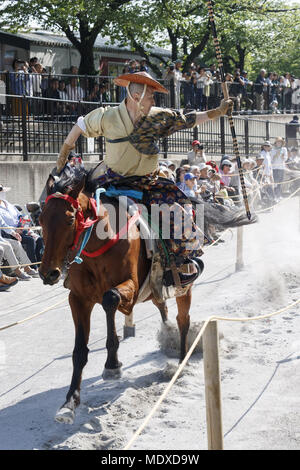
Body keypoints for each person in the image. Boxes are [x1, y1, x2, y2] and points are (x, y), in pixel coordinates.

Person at [56, 71, 232, 287]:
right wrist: (65, 150)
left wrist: (218, 111)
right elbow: (81, 125)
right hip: (111, 182)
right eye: (150, 97)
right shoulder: (107, 116)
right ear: (136, 97)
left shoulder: (158, 116)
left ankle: (178, 263)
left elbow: (189, 119)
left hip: (149, 183)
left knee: (177, 211)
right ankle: (66, 264)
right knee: (72, 212)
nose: (153, 101)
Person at [0, 186, 42, 275]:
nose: (3, 193)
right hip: (8, 233)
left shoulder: (8, 204)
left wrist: (22, 225)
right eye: (1, 191)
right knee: (30, 241)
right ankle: (32, 267)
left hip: (20, 229)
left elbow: (20, 216)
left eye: (3, 191)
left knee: (39, 239)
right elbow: (3, 224)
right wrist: (15, 231)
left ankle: (40, 265)